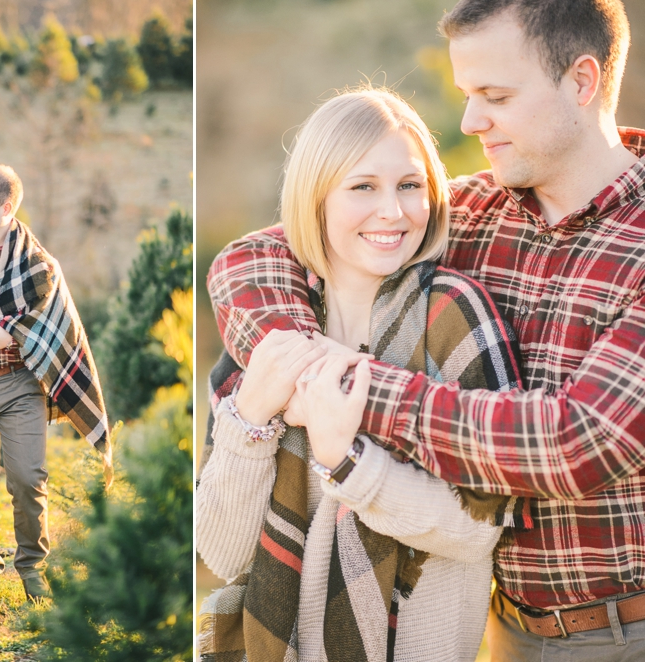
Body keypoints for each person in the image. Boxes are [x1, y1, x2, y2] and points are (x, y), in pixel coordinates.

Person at [207, 0, 645, 659]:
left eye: (495, 96)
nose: (471, 121)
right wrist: (285, 364)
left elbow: (575, 443)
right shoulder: (466, 214)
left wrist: (344, 388)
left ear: (582, 81)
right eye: (466, 93)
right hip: (507, 628)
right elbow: (254, 256)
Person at [197, 89, 527, 662]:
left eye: (409, 185)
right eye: (362, 187)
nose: (393, 212)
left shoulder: (456, 314)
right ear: (316, 198)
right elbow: (225, 555)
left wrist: (346, 460)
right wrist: (249, 418)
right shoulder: (268, 335)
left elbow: (479, 531)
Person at [0, 164, 111, 605]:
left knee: (28, 480)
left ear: (6, 207)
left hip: (18, 386)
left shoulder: (37, 264)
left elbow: (55, 323)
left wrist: (12, 334)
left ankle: (33, 569)